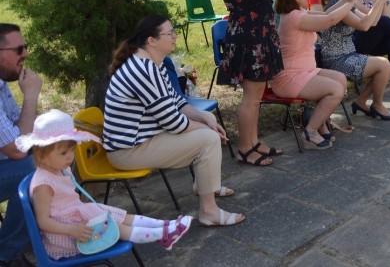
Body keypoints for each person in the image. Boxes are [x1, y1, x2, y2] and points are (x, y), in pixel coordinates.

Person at [104, 15, 243, 226]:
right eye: (170, 33)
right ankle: (209, 211)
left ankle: (205, 186)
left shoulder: (152, 63)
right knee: (208, 139)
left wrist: (205, 118)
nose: (175, 37)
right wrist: (208, 128)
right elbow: (174, 123)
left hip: (141, 140)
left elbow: (177, 102)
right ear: (152, 40)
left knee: (206, 119)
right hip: (128, 150)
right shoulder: (144, 70)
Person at [18, 110, 192, 259]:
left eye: (72, 150)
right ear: (41, 155)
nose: (70, 157)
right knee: (117, 226)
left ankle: (165, 226)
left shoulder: (60, 168)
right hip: (69, 236)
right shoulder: (43, 185)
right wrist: (72, 230)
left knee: (122, 216)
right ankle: (162, 235)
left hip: (78, 217)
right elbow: (43, 222)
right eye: (63, 153)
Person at [216, 0, 294, 167]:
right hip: (249, 38)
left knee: (257, 94)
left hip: (257, 34)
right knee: (251, 96)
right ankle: (245, 149)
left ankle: (254, 142)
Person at [274, 0, 356, 149]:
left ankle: (320, 124)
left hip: (304, 72)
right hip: (289, 77)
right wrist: (351, 2)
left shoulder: (297, 13)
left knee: (340, 79)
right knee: (335, 90)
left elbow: (327, 14)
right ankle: (309, 132)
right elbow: (330, 21)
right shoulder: (295, 17)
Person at [319, 0, 390, 120]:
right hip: (337, 60)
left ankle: (361, 101)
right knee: (384, 65)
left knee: (389, 68)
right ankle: (377, 105)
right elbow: (364, 26)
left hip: (348, 54)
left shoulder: (347, 2)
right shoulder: (336, 4)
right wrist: (379, 0)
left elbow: (372, 21)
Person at [0, 23, 42, 266]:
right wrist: (31, 96)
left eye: (25, 47)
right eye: (19, 49)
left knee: (52, 158)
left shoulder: (2, 84)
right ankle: (6, 254)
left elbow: (22, 130)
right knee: (34, 172)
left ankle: (36, 229)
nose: (25, 54)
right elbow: (18, 149)